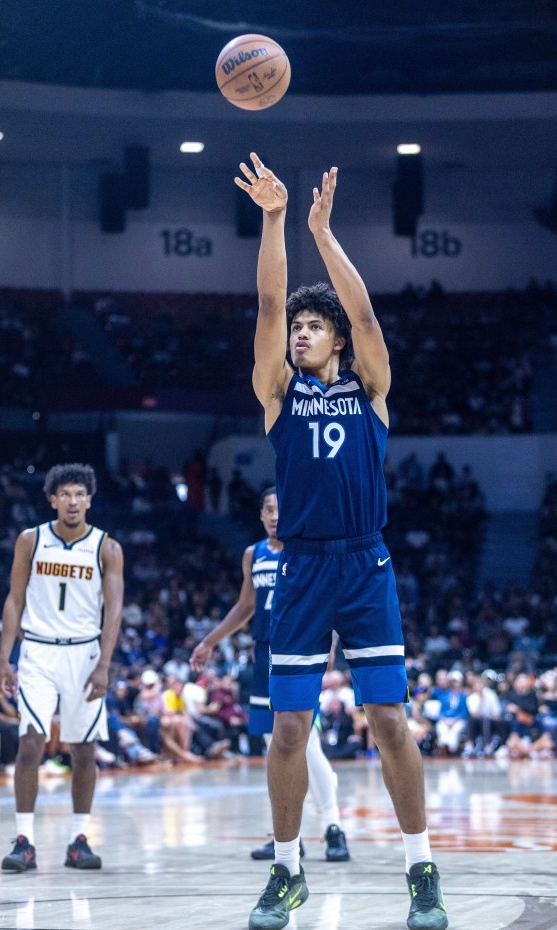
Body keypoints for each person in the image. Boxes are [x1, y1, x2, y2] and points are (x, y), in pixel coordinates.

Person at [233, 153, 447, 930]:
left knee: (388, 722)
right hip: (302, 567)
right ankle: (287, 872)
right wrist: (276, 219)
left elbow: (367, 319)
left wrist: (323, 235)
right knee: (289, 727)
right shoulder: (278, 396)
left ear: (337, 343)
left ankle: (421, 869)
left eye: (313, 326)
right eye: (298, 327)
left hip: (364, 563)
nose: (300, 332)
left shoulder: (371, 389)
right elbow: (267, 302)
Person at [191, 488, 350, 862]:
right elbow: (245, 606)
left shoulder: (307, 549)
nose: (276, 516)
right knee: (274, 749)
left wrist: (330, 642)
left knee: (307, 745)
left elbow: (328, 599)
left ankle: (333, 827)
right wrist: (210, 641)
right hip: (264, 655)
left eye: (281, 509)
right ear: (261, 515)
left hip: (300, 650)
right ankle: (288, 836)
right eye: (269, 510)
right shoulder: (253, 554)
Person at [0, 463, 124, 872]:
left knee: (84, 749)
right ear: (52, 499)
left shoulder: (107, 547)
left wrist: (104, 664)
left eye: (79, 494)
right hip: (38, 650)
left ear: (90, 500)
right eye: (65, 494)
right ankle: (24, 841)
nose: (72, 501)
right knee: (30, 742)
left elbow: (114, 610)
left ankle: (79, 839)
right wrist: (4, 657)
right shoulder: (30, 540)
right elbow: (15, 599)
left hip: (84, 654)